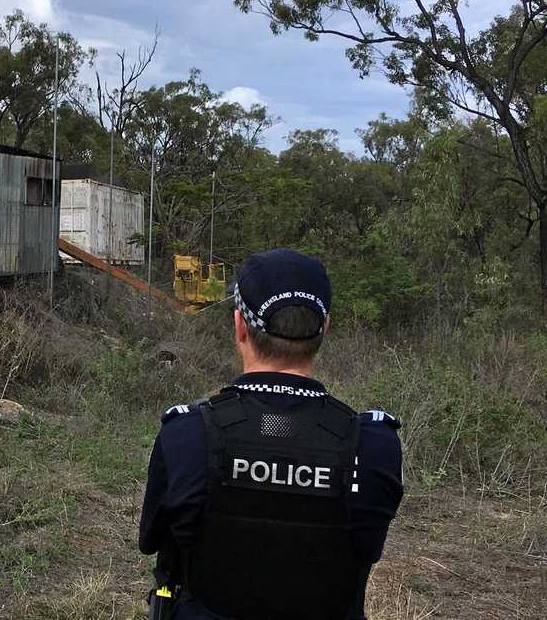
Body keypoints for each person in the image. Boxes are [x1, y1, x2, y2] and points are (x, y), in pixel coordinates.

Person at [139, 249, 403, 620]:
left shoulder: (186, 435)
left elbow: (152, 541)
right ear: (324, 328)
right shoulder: (375, 445)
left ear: (239, 326)